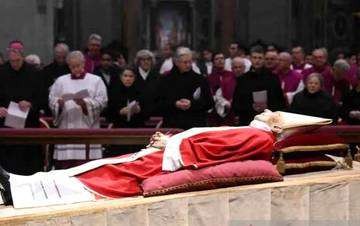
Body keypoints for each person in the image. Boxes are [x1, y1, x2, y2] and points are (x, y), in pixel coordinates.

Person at [0, 110, 333, 205]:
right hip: (171, 153)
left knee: (105, 175)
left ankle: (23, 191)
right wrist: (171, 142)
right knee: (102, 167)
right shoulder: (257, 135)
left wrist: (168, 146)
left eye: (271, 113)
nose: (265, 111)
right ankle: (23, 183)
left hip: (168, 160)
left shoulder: (256, 135)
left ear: (275, 125)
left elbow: (210, 151)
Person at [49, 51, 108, 169]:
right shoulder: (61, 81)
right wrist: (59, 104)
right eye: (72, 66)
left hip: (87, 128)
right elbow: (52, 100)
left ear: (83, 63)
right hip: (66, 126)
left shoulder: (96, 80)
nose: (76, 69)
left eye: (78, 65)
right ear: (68, 65)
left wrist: (85, 104)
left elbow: (102, 101)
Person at [0, 43, 43, 175]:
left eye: (17, 61)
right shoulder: (1, 71)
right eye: (12, 61)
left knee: (28, 167)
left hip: (28, 126)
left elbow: (42, 98)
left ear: (22, 57)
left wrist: (30, 104)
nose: (15, 64)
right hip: (5, 127)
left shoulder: (34, 73)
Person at [158, 47, 214, 129]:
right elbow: (158, 103)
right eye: (185, 62)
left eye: (190, 62)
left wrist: (192, 104)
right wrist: (175, 104)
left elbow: (209, 103)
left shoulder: (200, 79)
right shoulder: (165, 80)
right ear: (176, 62)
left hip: (195, 124)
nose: (188, 65)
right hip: (172, 124)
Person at [232, 45, 286, 125]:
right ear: (250, 59)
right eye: (255, 58)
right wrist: (250, 106)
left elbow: (280, 102)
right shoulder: (243, 79)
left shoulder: (273, 78)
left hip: (268, 121)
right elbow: (236, 103)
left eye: (260, 58)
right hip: (248, 120)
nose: (257, 61)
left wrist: (267, 107)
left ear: (264, 59)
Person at [207, 52, 237, 126]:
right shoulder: (209, 77)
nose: (220, 60)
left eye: (222, 58)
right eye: (217, 59)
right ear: (213, 62)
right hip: (215, 111)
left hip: (230, 109)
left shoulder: (232, 75)